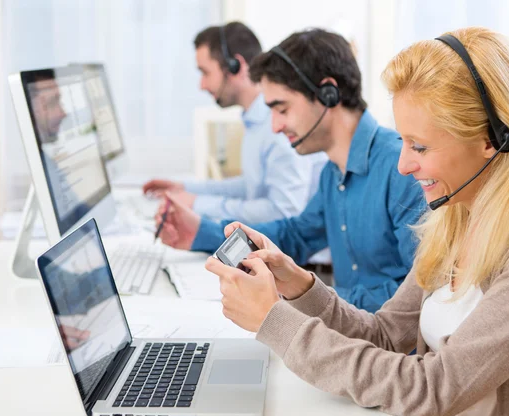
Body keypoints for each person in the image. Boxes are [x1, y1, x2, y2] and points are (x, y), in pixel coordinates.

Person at [205, 27, 509, 416]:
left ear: (492, 139)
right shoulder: (457, 218)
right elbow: (385, 335)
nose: (403, 165)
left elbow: (435, 389)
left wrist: (275, 320)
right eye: (404, 142)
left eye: (420, 147)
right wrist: (299, 287)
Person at [157, 29, 425, 313]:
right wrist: (201, 232)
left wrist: (307, 300)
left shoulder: (402, 169)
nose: (274, 126)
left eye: (282, 109)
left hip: (384, 350)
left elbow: (417, 295)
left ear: (327, 94)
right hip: (348, 336)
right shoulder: (333, 173)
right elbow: (296, 236)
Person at [143, 22, 323, 224]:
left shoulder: (278, 125)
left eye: (205, 72)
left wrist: (196, 203)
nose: (201, 85)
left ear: (234, 66)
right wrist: (185, 189)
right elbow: (251, 186)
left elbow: (283, 210)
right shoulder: (255, 120)